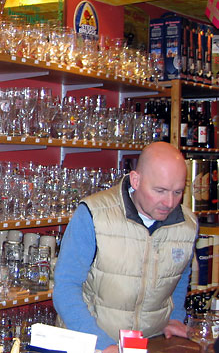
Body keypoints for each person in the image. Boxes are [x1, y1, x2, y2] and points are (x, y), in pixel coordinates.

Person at [53, 142, 198, 352]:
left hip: (150, 343)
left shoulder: (187, 225)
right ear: (136, 180)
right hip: (90, 344)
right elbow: (66, 287)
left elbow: (180, 276)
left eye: (177, 192)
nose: (169, 202)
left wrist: (175, 318)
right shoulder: (95, 214)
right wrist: (102, 345)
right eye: (160, 191)